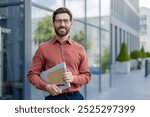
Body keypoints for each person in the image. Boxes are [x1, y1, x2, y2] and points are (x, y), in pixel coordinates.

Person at [27, 7, 91, 100]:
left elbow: (87, 76)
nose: (62, 24)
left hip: (76, 98)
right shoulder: (43, 48)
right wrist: (46, 86)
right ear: (53, 23)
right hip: (53, 99)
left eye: (65, 21)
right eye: (58, 21)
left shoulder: (80, 49)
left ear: (71, 23)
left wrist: (73, 78)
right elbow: (32, 75)